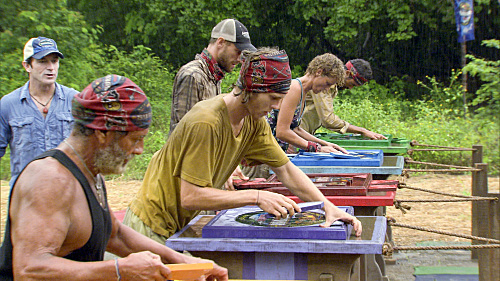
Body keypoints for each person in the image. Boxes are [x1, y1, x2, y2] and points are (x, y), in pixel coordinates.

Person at [123, 48, 362, 244]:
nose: (278, 107)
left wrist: (326, 206)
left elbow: (285, 169)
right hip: (149, 225)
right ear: (251, 89)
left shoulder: (254, 121)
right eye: (273, 98)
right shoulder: (206, 122)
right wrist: (256, 196)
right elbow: (191, 196)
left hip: (180, 224)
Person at [0, 75, 228, 280]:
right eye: (135, 139)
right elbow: (29, 269)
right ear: (102, 133)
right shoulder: (51, 180)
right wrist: (118, 269)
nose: (140, 150)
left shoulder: (89, 173)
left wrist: (180, 260)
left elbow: (115, 235)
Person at [0, 36, 78, 188]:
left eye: (54, 61)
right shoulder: (8, 104)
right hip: (25, 195)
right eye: (42, 61)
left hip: (68, 193)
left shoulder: (75, 100)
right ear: (27, 65)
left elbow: (90, 146)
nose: (50, 67)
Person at [169, 18, 257, 134]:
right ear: (220, 42)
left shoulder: (214, 76)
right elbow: (184, 132)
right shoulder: (193, 75)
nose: (240, 59)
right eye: (237, 51)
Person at [265, 53, 349, 154]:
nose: (326, 89)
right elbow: (282, 132)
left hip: (273, 154)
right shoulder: (294, 88)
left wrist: (324, 144)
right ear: (319, 72)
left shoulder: (303, 92)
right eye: (327, 83)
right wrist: (317, 148)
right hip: (262, 154)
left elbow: (295, 129)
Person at [300, 59, 386, 140]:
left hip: (303, 134)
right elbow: (328, 120)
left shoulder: (331, 86)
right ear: (347, 73)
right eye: (352, 84)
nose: (350, 88)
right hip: (295, 134)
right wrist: (362, 131)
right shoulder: (322, 84)